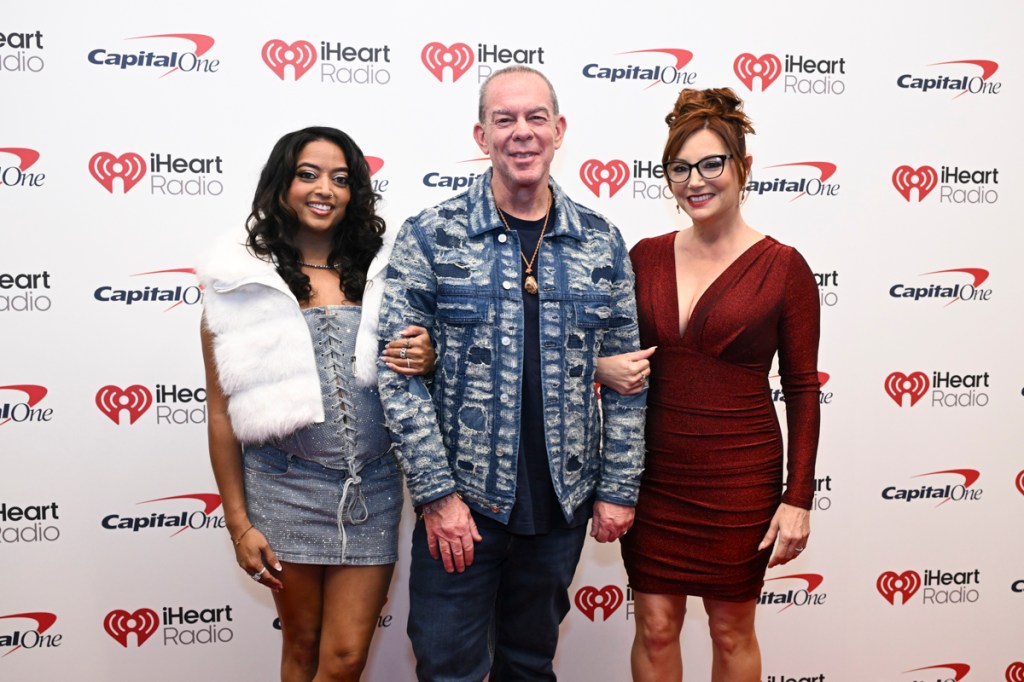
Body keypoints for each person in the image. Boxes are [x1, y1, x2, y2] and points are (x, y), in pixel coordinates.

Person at [376, 66, 646, 681]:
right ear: (481, 135)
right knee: (449, 669)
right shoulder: (432, 234)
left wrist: (617, 488)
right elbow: (399, 377)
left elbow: (630, 379)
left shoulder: (600, 242)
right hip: (462, 510)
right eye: (505, 120)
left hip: (561, 507)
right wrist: (438, 497)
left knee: (530, 666)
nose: (521, 133)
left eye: (535, 118)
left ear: (559, 130)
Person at [196, 126, 435, 682]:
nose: (323, 188)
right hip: (283, 489)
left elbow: (424, 364)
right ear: (282, 184)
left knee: (348, 657)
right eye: (308, 174)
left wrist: (428, 355)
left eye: (340, 178)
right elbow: (220, 414)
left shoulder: (386, 276)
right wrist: (239, 523)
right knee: (301, 650)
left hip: (371, 489)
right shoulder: (240, 286)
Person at [599, 88, 820, 681]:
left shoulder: (785, 267)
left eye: (711, 163)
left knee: (730, 629)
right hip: (652, 473)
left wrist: (799, 498)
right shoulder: (641, 256)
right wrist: (598, 368)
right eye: (679, 168)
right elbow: (597, 351)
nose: (694, 180)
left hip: (738, 477)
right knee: (656, 627)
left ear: (743, 167)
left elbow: (802, 388)